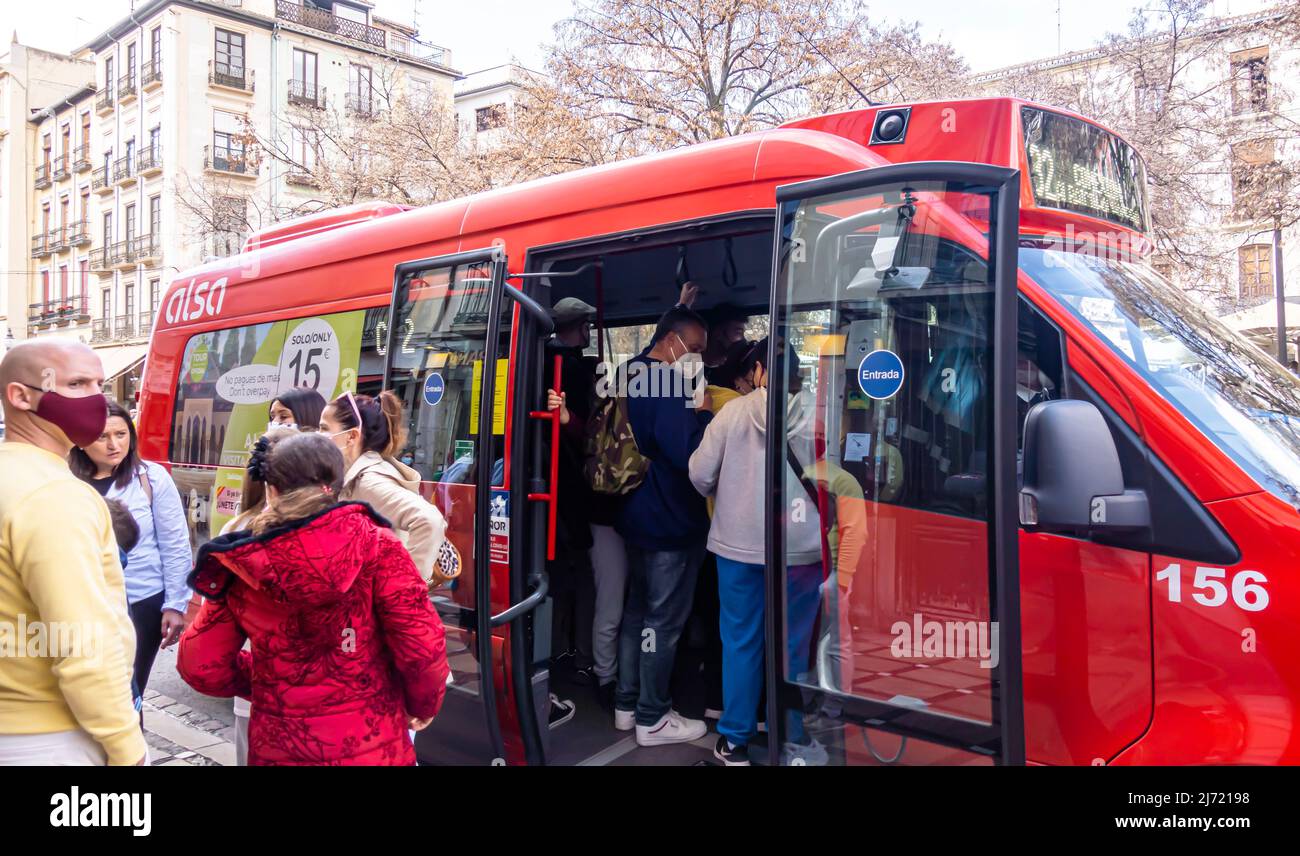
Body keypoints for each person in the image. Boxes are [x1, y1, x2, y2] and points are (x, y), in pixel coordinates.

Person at [178, 432, 451, 765]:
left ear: (271, 490)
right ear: (336, 484)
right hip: (373, 744)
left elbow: (200, 664)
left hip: (281, 748)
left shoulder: (244, 561)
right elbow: (422, 645)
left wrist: (269, 678)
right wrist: (423, 705)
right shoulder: (379, 546)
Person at [0, 339, 146, 766]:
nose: (97, 399)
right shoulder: (55, 495)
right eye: (78, 383)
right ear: (21, 395)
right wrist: (127, 747)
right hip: (49, 736)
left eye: (100, 384)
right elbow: (82, 644)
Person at [688, 338, 829, 766]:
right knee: (793, 646)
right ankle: (792, 736)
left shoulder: (732, 413)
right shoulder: (817, 414)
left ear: (761, 370)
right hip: (800, 552)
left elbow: (699, 473)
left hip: (738, 547)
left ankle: (734, 740)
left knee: (741, 642)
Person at [613, 305, 714, 746]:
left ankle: (626, 702)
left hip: (633, 514)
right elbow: (687, 454)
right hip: (670, 519)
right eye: (693, 348)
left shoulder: (629, 370)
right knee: (662, 623)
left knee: (637, 614)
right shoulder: (669, 383)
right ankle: (652, 717)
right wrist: (705, 415)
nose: (696, 358)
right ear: (670, 340)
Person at [71, 400, 193, 695]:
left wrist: (175, 605)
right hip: (79, 603)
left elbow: (175, 544)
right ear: (82, 441)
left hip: (141, 601)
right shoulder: (65, 481)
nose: (114, 444)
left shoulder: (150, 477)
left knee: (128, 692)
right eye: (103, 437)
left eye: (122, 434)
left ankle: (131, 741)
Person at [217, 425, 298, 765]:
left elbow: (205, 653)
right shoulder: (354, 535)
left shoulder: (236, 533)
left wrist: (249, 674)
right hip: (332, 704)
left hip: (259, 689)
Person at [319, 390, 448, 586]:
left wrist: (404, 588)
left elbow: (429, 521)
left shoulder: (367, 481)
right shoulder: (354, 475)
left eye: (324, 429)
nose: (318, 436)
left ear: (352, 436)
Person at [542, 297, 599, 725]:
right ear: (574, 328)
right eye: (585, 327)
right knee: (577, 574)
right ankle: (578, 655)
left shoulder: (534, 361)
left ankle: (556, 647)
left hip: (548, 483)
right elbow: (589, 432)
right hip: (570, 486)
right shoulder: (576, 371)